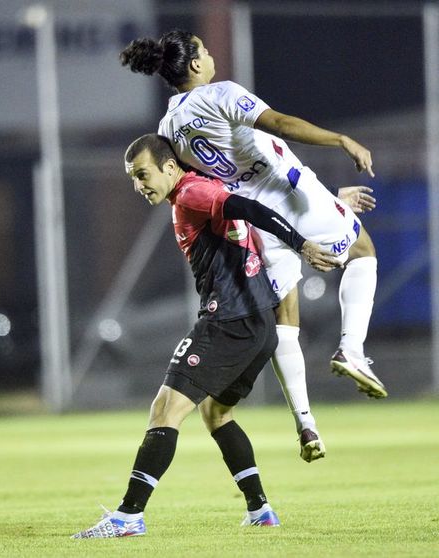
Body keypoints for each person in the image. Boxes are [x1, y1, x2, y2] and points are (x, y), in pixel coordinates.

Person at [120, 30, 386, 463]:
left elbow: (207, 184)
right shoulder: (220, 93)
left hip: (256, 225)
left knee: (286, 318)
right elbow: (280, 124)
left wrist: (330, 201)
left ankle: (306, 423)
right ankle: (352, 349)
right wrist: (341, 139)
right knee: (363, 252)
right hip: (290, 194)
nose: (209, 56)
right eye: (203, 51)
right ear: (193, 66)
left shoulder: (168, 130)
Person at [71, 134, 341, 538]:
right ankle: (260, 509)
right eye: (132, 178)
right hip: (260, 324)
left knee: (165, 410)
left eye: (142, 174)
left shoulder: (191, 193)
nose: (138, 185)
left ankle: (128, 516)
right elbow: (259, 193)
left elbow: (249, 207)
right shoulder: (204, 183)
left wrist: (300, 245)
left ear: (169, 167)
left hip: (229, 323)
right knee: (216, 413)